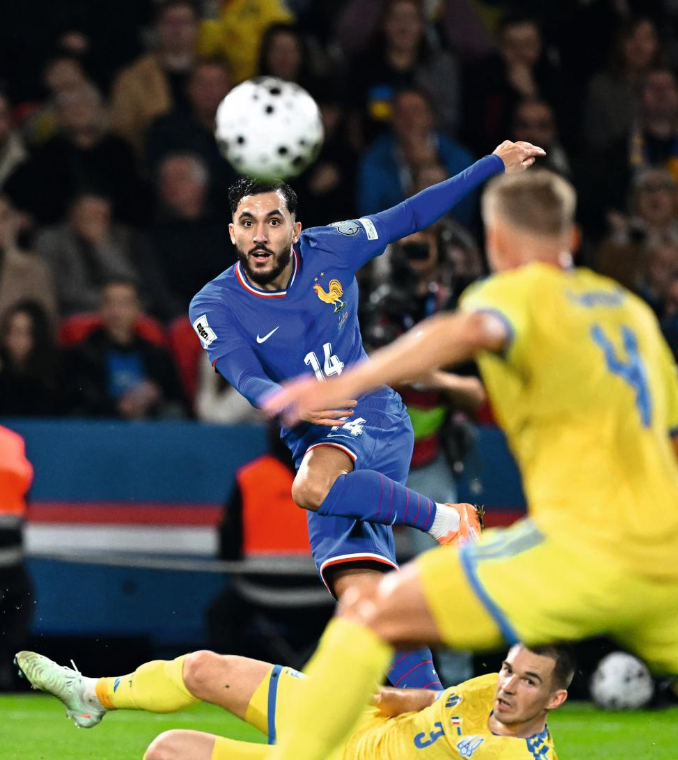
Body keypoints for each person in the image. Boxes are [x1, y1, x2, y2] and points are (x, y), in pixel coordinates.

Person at [262, 169, 678, 760]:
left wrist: (344, 383)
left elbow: (473, 328)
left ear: (496, 242)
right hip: (666, 553)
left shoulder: (516, 291)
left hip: (580, 548)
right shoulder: (632, 314)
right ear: (573, 238)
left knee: (371, 614)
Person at [189, 140, 543, 692]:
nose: (261, 235)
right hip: (315, 436)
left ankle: (448, 520)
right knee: (366, 603)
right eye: (248, 223)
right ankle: (432, 709)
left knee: (310, 488)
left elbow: (411, 214)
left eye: (273, 221)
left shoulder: (332, 246)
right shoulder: (212, 304)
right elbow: (244, 376)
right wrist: (290, 401)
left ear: (296, 230)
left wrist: (492, 164)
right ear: (232, 233)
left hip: (371, 412)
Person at [15, 641, 572, 759]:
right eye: (508, 670)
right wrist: (388, 695)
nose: (507, 686)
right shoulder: (489, 689)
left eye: (529, 682)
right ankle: (89, 695)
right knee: (204, 668)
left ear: (556, 699)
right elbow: (435, 699)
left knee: (167, 752)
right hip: (350, 719)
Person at [64, 279, 187, 419]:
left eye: (124, 304)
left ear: (139, 309)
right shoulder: (81, 355)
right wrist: (116, 407)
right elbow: (76, 400)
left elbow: (175, 397)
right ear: (100, 309)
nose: (116, 312)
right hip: (101, 424)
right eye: (109, 303)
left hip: (149, 425)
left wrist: (154, 397)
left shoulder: (157, 355)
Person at [0, 428, 34, 690]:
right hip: (10, 553)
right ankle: (3, 669)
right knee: (17, 606)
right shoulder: (11, 441)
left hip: (9, 554)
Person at [0, 301, 62, 416]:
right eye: (10, 331)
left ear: (37, 335)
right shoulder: (3, 370)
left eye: (21, 333)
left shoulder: (57, 374)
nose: (14, 339)